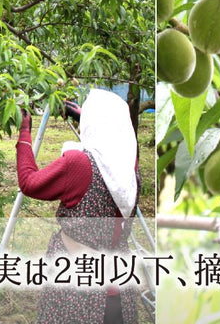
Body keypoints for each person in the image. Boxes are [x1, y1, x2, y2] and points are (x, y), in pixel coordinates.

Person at [17, 88, 140, 323]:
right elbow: (108, 133)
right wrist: (79, 113)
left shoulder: (79, 164)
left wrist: (24, 133)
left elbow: (29, 183)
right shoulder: (129, 166)